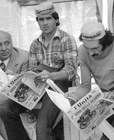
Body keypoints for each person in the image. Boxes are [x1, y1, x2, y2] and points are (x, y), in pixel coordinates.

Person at [0, 1, 78, 140]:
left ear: (56, 20)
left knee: (41, 126)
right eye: (41, 19)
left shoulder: (67, 39)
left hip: (60, 84)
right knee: (6, 109)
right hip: (39, 83)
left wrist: (52, 75)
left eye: (48, 18)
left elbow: (71, 70)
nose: (45, 23)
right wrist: (19, 77)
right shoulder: (35, 44)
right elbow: (31, 70)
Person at [67, 21, 114, 139]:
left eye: (95, 48)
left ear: (105, 42)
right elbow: (85, 86)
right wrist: (72, 97)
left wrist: (110, 95)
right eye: (87, 48)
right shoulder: (82, 51)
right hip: (104, 102)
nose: (91, 53)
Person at [0, 30, 29, 140]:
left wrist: (16, 76)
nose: (3, 48)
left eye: (7, 43)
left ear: (12, 43)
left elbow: (28, 84)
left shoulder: (24, 57)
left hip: (19, 97)